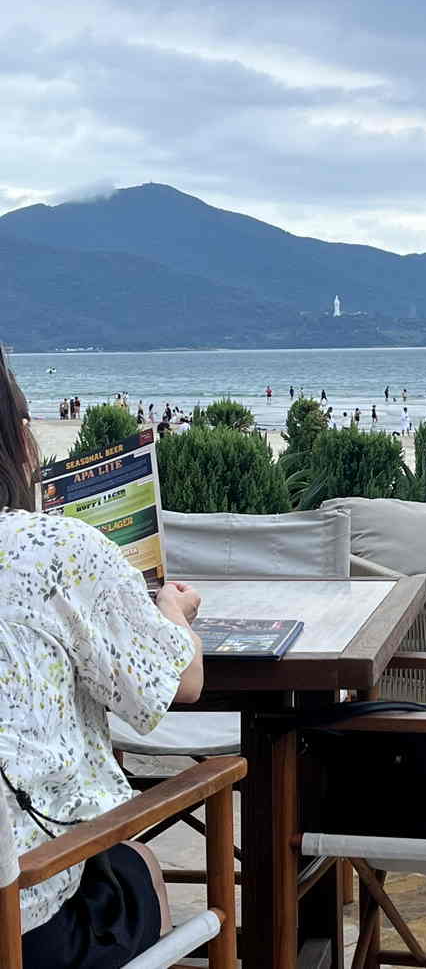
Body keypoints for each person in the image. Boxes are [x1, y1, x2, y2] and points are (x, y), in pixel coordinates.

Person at [0, 348, 204, 968]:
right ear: (18, 438)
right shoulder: (49, 547)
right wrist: (174, 612)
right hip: (23, 931)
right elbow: (178, 684)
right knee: (135, 862)